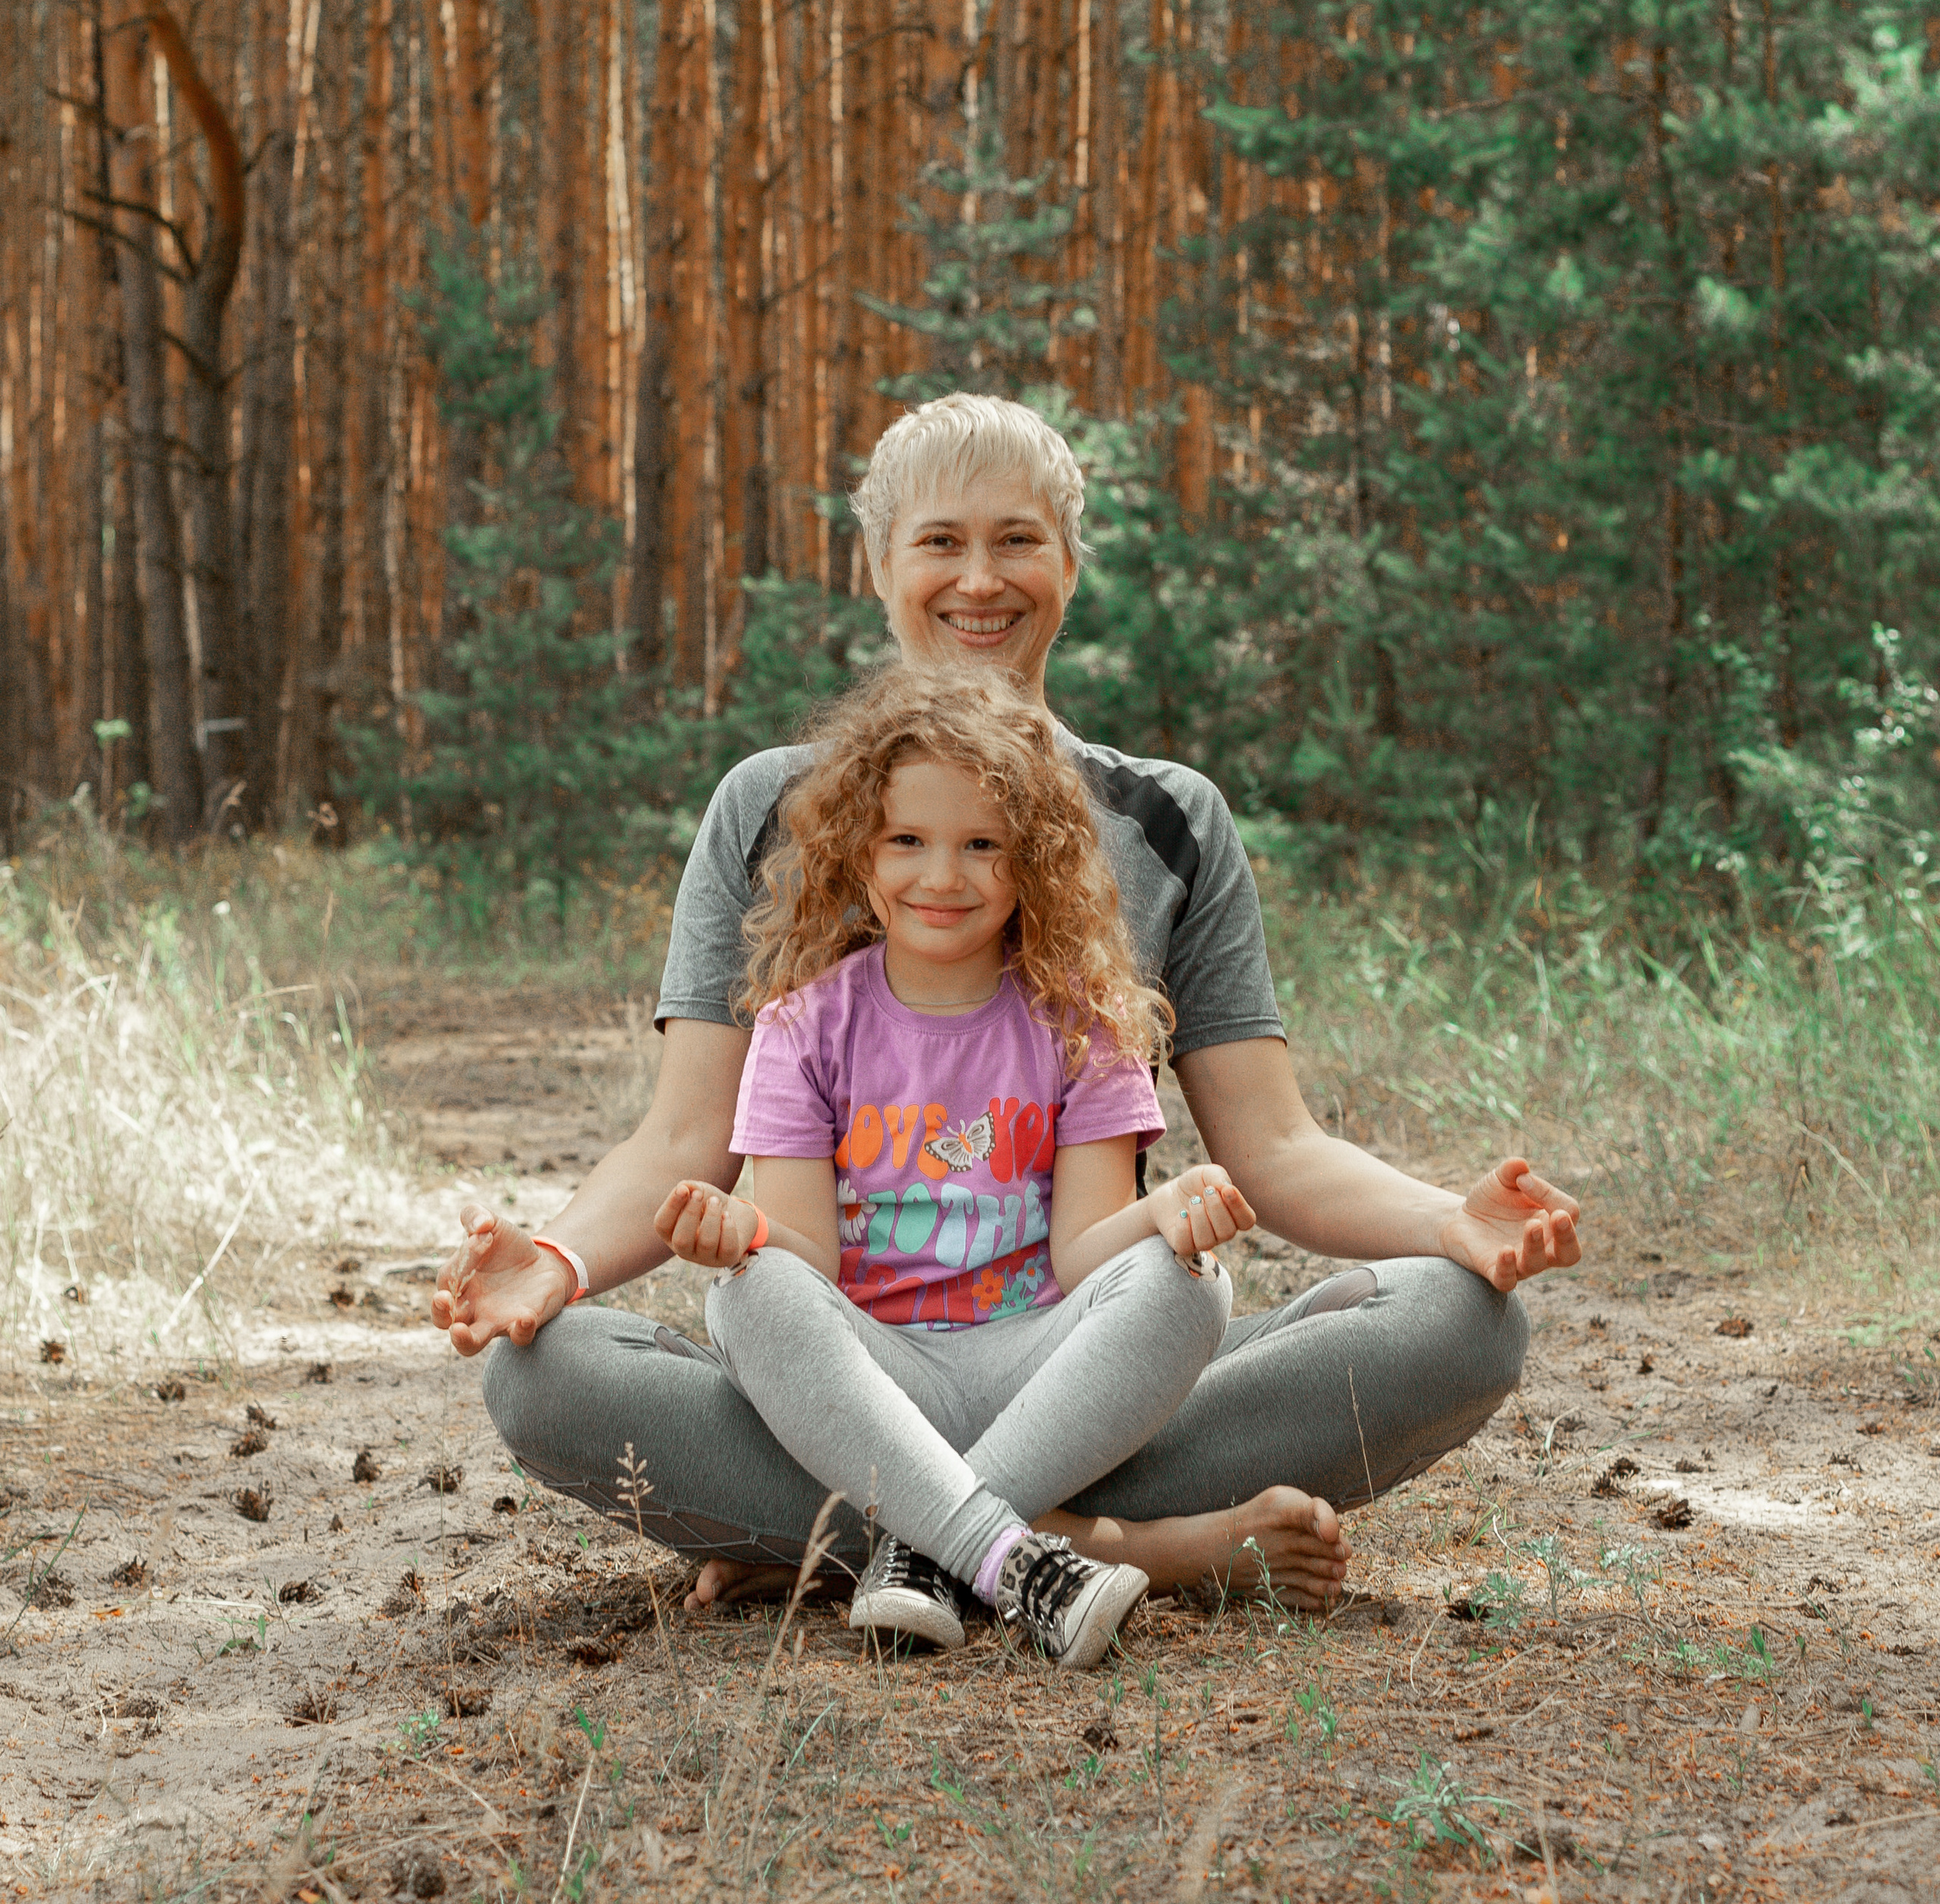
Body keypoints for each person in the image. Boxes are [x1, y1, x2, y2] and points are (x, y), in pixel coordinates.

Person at [435, 392, 1583, 1614]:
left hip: (1082, 1356)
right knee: (545, 1378)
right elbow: (683, 1144)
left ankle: (890, 1532)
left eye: (1017, 539)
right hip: (858, 1363)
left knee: (1460, 1322)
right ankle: (1098, 1544)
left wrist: (1448, 1222)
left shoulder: (1170, 820)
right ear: (876, 564)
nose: (979, 579)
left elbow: (1279, 1151)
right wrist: (557, 1257)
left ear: (1071, 565)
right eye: (939, 541)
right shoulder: (765, 808)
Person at [653, 665, 1254, 1668]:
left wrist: (1168, 1213)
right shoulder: (804, 1028)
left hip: (1039, 1372)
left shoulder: (1084, 1025)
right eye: (908, 842)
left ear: (1036, 863)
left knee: (1190, 1287)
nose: (944, 877)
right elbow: (806, 1258)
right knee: (748, 1296)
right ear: (857, 852)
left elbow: (1082, 1258)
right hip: (874, 1379)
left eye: (984, 846)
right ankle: (1018, 1563)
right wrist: (740, 1234)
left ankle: (922, 1546)